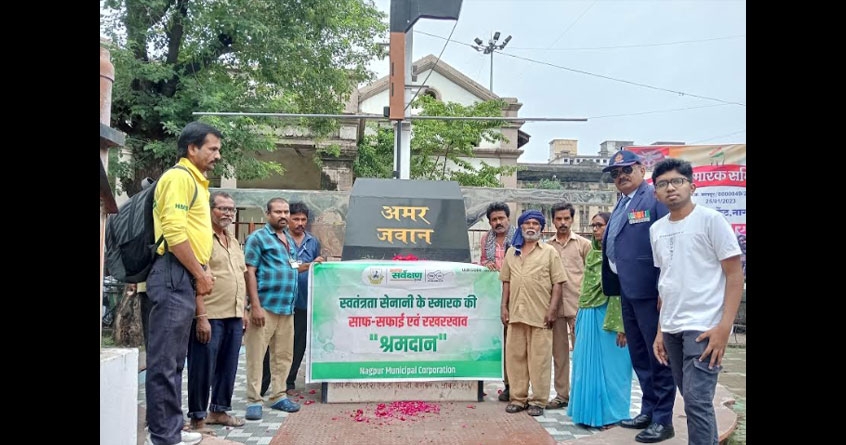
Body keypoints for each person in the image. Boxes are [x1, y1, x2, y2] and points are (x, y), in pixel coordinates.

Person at [649, 158, 744, 445]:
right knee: (690, 398)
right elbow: (666, 281)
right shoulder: (657, 229)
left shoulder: (711, 220)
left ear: (692, 185)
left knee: (698, 401)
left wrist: (723, 328)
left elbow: (734, 275)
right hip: (672, 327)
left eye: (677, 181)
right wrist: (659, 331)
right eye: (663, 184)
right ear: (656, 193)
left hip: (704, 326)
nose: (670, 188)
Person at [145, 121, 221, 445]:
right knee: (164, 362)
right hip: (173, 272)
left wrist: (200, 270)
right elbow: (175, 234)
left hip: (182, 276)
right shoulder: (179, 178)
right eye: (212, 148)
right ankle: (163, 436)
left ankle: (170, 430)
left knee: (175, 361)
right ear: (192, 148)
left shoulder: (195, 182)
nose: (217, 155)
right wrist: (200, 273)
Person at [601, 149, 676, 443]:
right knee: (640, 355)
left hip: (650, 292)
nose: (620, 176)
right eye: (615, 174)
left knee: (658, 355)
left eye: (626, 170)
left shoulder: (653, 199)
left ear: (641, 169)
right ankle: (648, 409)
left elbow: (666, 246)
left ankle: (663, 419)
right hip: (627, 291)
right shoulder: (622, 203)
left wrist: (663, 288)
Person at [186, 192, 248, 433]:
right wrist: (200, 317)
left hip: (233, 314)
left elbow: (239, 277)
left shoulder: (232, 240)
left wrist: (243, 310)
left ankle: (219, 411)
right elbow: (196, 279)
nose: (228, 213)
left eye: (231, 209)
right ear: (210, 210)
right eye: (222, 208)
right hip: (210, 315)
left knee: (228, 366)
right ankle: (198, 419)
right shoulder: (202, 238)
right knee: (202, 367)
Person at [499, 210, 568, 417]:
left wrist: (552, 310)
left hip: (541, 316)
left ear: (541, 228)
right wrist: (503, 306)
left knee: (540, 360)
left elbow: (558, 283)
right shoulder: (512, 252)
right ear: (520, 227)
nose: (531, 226)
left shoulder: (549, 252)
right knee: (515, 358)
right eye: (527, 223)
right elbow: (506, 282)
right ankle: (518, 398)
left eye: (535, 224)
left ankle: (538, 400)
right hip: (516, 314)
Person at [567, 212, 632, 428]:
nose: (595, 230)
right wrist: (578, 314)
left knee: (614, 368)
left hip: (612, 316)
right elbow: (586, 289)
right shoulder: (594, 255)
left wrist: (623, 325)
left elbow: (624, 291)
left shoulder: (621, 255)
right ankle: (588, 415)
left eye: (600, 225)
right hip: (588, 314)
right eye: (593, 226)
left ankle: (612, 415)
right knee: (585, 366)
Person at [243, 198, 301, 421]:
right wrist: (254, 306)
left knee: (283, 356)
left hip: (287, 308)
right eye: (278, 212)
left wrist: (313, 265)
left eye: (286, 211)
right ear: (268, 214)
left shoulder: (289, 240)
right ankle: (253, 400)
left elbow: (292, 267)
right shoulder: (258, 238)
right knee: (256, 356)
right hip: (264, 307)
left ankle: (278, 395)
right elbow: (250, 271)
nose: (283, 215)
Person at [259, 203, 325, 397]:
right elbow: (290, 265)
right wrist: (308, 265)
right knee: (271, 344)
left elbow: (315, 267)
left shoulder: (313, 242)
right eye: (295, 219)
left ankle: (288, 381)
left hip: (304, 302)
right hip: (280, 300)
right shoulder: (279, 240)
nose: (300, 223)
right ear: (287, 219)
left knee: (297, 345)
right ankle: (262, 384)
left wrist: (319, 264)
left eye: (303, 220)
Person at [545, 202, 592, 410]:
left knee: (581, 353)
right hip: (554, 308)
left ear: (572, 219)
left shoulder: (584, 244)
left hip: (578, 307)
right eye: (559, 219)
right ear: (552, 220)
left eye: (566, 218)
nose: (563, 223)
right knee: (559, 354)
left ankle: (581, 395)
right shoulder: (546, 247)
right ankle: (562, 395)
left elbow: (591, 276)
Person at [478, 201, 517, 402]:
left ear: (508, 219)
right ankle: (502, 383)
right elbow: (482, 262)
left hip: (517, 296)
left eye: (501, 218)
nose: (498, 222)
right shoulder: (486, 239)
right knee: (497, 343)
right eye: (494, 219)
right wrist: (486, 264)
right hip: (494, 297)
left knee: (514, 345)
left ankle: (514, 386)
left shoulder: (519, 237)